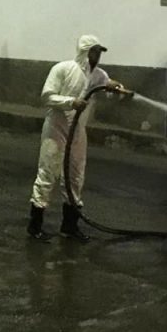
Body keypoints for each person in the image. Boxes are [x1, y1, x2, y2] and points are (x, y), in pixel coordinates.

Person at [27, 34, 125, 242]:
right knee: (48, 173)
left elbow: (107, 83)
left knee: (75, 176)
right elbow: (47, 96)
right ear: (84, 51)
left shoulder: (97, 74)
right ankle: (35, 226)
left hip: (78, 131)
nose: (97, 56)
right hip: (56, 128)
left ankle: (69, 227)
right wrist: (71, 102)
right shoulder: (62, 69)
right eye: (94, 51)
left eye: (99, 52)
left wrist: (117, 87)